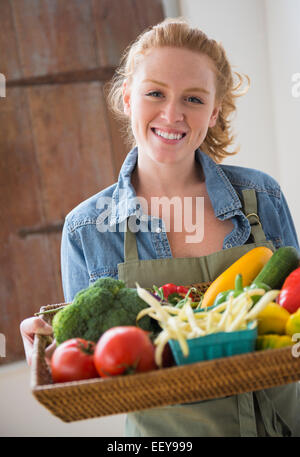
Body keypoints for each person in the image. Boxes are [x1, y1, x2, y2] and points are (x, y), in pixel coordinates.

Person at [20, 18, 300, 437]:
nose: (173, 114)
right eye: (155, 93)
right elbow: (92, 367)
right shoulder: (87, 230)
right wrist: (49, 353)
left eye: (193, 98)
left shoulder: (262, 197)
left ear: (214, 110)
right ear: (129, 98)